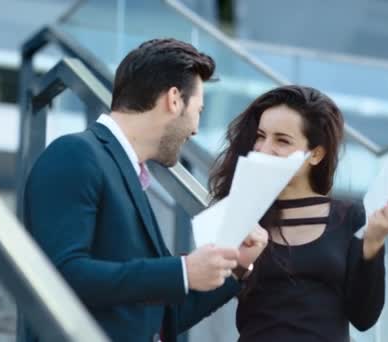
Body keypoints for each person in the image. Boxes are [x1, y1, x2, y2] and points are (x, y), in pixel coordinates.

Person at [23, 38, 268, 342]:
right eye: (199, 111)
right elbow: (61, 276)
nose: (195, 129)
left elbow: (164, 318)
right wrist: (181, 271)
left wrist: (237, 266)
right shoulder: (75, 154)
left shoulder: (129, 175)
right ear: (174, 100)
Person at [209, 85, 388, 341]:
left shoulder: (348, 217)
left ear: (315, 154)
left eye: (282, 140)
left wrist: (373, 245)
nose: (264, 148)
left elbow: (364, 317)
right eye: (260, 136)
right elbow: (205, 296)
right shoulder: (240, 212)